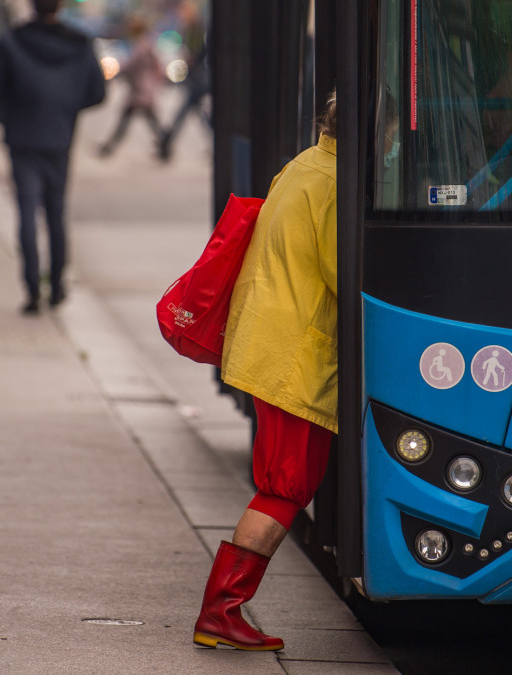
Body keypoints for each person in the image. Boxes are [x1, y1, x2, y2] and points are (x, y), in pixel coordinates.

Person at [192, 93, 339, 651]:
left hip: (271, 346)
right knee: (285, 488)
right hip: (293, 357)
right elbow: (342, 273)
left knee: (284, 484)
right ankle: (221, 611)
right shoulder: (334, 187)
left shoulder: (303, 165)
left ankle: (223, 610)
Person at [0, 0, 104, 313]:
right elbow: (97, 92)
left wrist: (6, 117)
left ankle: (32, 287)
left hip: (22, 138)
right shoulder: (80, 43)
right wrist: (66, 110)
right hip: (60, 138)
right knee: (56, 212)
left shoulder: (11, 40)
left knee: (26, 213)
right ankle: (58, 284)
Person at [97, 15, 164, 159]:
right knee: (149, 121)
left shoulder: (142, 45)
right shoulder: (146, 43)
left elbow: (131, 65)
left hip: (141, 90)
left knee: (129, 119)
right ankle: (165, 146)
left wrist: (116, 72)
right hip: (142, 89)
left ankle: (109, 147)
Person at [157, 0, 208, 162]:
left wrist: (191, 58)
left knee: (185, 112)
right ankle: (166, 142)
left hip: (197, 78)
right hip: (195, 77)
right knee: (198, 115)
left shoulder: (195, 28)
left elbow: (198, 51)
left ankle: (166, 142)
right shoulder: (190, 28)